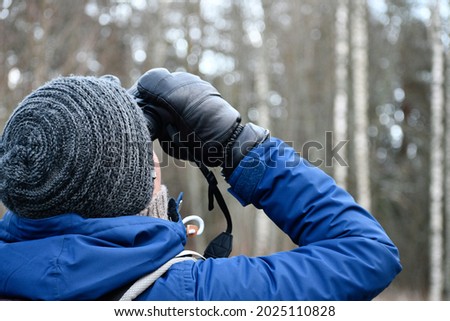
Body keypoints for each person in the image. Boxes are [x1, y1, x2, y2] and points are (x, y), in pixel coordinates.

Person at [0, 69, 401, 301]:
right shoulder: (191, 297)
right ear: (138, 185)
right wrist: (240, 146)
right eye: (148, 154)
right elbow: (366, 252)